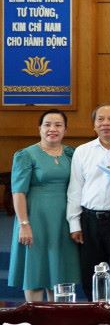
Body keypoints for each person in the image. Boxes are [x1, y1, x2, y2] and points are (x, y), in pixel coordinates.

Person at [67, 105, 110, 302]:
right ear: (94, 125)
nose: (106, 123)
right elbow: (75, 189)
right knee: (90, 274)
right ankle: (95, 315)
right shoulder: (82, 151)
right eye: (101, 119)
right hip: (90, 220)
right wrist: (74, 223)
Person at [9, 109, 79, 302]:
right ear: (39, 128)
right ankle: (37, 322)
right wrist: (24, 224)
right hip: (35, 219)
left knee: (59, 271)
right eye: (47, 124)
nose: (52, 129)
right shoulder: (26, 155)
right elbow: (18, 192)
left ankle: (58, 324)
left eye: (58, 125)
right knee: (35, 270)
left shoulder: (71, 154)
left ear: (65, 129)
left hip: (63, 220)